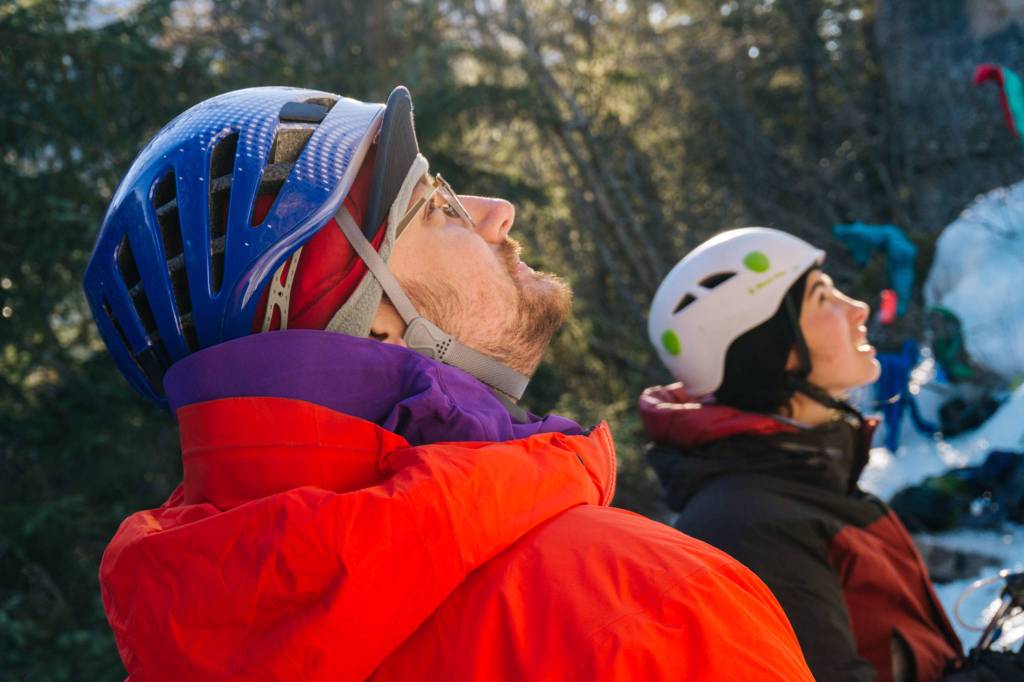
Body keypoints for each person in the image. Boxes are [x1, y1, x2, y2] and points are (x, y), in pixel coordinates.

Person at [84, 88, 813, 680]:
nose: (497, 214)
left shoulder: (179, 638)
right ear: (372, 322)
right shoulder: (648, 612)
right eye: (437, 207)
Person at [642, 227, 1010, 681]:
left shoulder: (807, 477)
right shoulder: (749, 526)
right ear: (775, 353)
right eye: (822, 298)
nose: (858, 308)